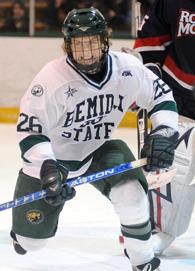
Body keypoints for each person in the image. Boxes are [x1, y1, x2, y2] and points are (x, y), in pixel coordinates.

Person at [10, 7, 179, 271]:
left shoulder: (127, 69)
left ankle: (142, 258)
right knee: (30, 243)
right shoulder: (51, 79)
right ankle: (23, 234)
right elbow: (31, 129)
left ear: (106, 40)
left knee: (132, 194)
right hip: (54, 162)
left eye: (93, 43)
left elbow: (162, 97)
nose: (87, 52)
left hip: (99, 151)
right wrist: (46, 167)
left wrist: (164, 133)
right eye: (79, 45)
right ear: (67, 47)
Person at [132, 0, 195, 255]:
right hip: (179, 99)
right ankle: (160, 228)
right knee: (173, 170)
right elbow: (151, 42)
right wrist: (149, 76)